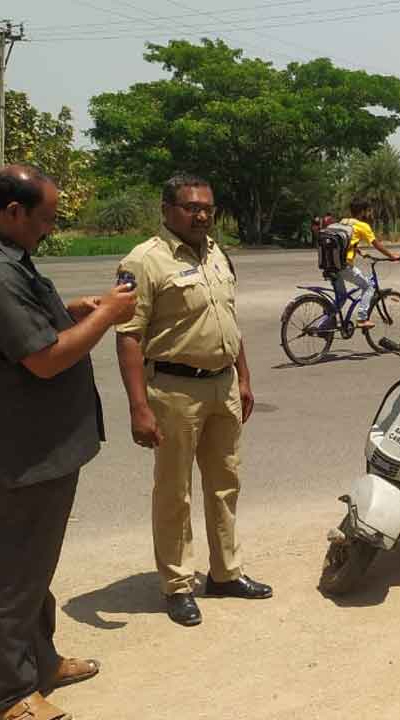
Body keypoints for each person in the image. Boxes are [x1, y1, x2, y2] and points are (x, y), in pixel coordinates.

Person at [0, 165, 137, 720]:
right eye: (44, 219)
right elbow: (45, 360)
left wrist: (65, 312)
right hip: (22, 450)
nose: (49, 230)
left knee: (33, 564)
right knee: (11, 573)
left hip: (30, 443)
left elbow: (14, 328)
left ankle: (39, 662)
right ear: (13, 211)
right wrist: (110, 317)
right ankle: (8, 697)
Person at [115, 173, 272, 627]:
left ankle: (225, 573)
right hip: (174, 389)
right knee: (174, 492)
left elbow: (230, 320)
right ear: (167, 211)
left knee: (226, 483)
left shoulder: (218, 254)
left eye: (207, 207)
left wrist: (242, 377)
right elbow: (128, 337)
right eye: (191, 207)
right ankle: (178, 584)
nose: (202, 214)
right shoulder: (144, 261)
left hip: (222, 385)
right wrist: (138, 406)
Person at [333, 200, 400, 329]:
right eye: (368, 211)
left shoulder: (344, 222)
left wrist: (358, 251)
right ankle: (362, 318)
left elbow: (344, 242)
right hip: (344, 265)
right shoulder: (363, 226)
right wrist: (391, 256)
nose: (369, 213)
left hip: (331, 264)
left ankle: (324, 323)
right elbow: (376, 244)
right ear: (362, 211)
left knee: (341, 297)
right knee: (369, 287)